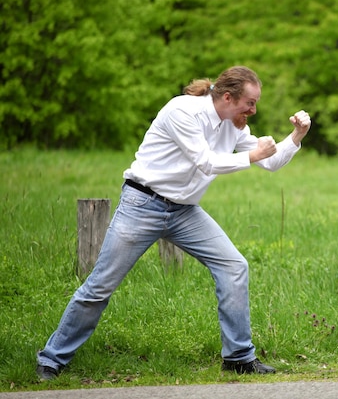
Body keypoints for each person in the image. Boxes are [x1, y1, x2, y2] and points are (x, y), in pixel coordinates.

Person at [36, 66, 311, 380]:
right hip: (142, 205)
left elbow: (271, 163)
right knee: (100, 286)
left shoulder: (234, 125)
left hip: (184, 212)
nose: (254, 110)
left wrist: (296, 136)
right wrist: (252, 155)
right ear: (226, 96)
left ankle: (238, 358)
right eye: (249, 102)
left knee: (234, 266)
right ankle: (52, 359)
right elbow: (206, 162)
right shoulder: (183, 111)